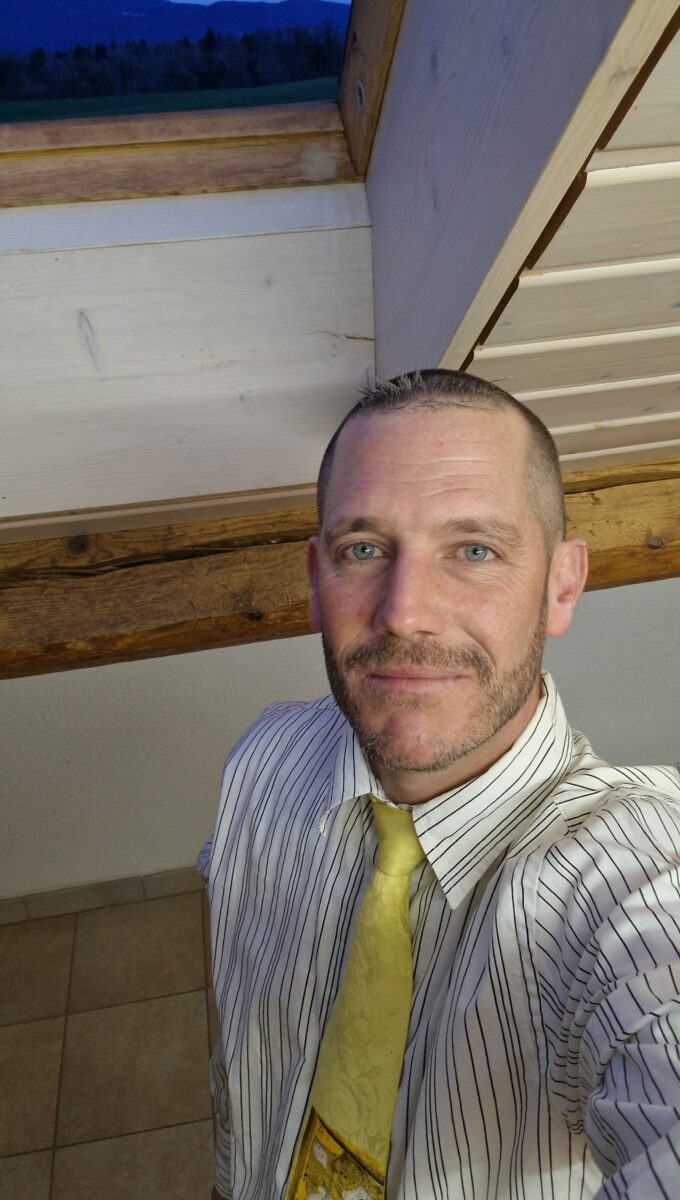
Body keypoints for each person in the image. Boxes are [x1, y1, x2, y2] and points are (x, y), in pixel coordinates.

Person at [203, 369, 680, 1200]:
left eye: (474, 550)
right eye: (363, 549)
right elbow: (245, 1060)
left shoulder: (634, 874)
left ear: (562, 584)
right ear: (315, 579)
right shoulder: (261, 764)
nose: (405, 612)